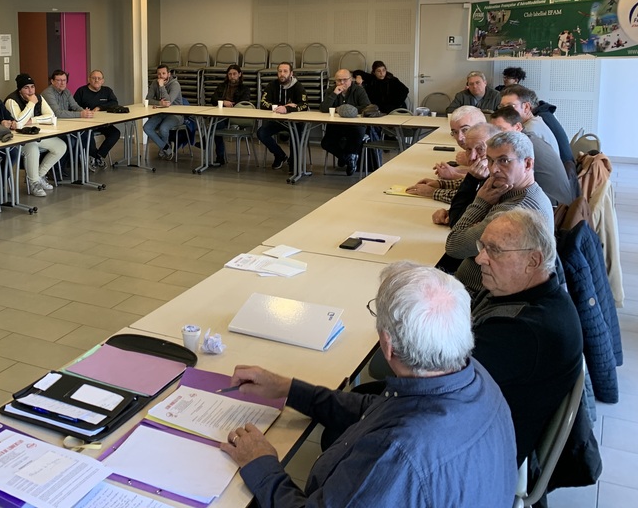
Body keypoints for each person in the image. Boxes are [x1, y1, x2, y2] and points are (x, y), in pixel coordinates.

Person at [220, 262, 516, 508]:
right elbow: (378, 410)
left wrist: (261, 464)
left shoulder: (396, 455)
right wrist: (289, 389)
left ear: (387, 345)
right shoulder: (471, 376)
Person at [473, 208, 583, 465]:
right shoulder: (539, 294)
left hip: (485, 456)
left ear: (533, 261)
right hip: (493, 424)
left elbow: (439, 383)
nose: (479, 258)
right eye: (483, 246)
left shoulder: (521, 332)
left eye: (494, 250)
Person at [445, 130, 554, 293]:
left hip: (477, 295)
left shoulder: (514, 212)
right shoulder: (515, 191)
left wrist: (480, 203)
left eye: (504, 161)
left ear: (527, 164)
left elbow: (454, 245)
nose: (493, 169)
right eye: (490, 160)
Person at [491, 105, 575, 206]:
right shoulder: (529, 138)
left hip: (553, 207)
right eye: (492, 130)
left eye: (500, 129)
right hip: (557, 201)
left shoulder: (521, 147)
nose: (494, 135)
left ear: (518, 127)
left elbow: (505, 184)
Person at [5, 73, 67, 197]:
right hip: (18, 140)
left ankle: (38, 176)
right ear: (20, 89)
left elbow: (51, 116)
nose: (30, 91)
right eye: (26, 87)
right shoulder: (11, 101)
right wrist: (31, 104)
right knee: (32, 148)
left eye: (32, 87)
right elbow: (18, 122)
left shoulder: (38, 97)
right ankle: (33, 183)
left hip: (34, 134)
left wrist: (32, 120)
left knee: (60, 146)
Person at [257, 62, 308, 171]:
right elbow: (263, 103)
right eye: (280, 71)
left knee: (296, 135)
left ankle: (294, 163)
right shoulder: (272, 85)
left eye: (285, 71)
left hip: (295, 122)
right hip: (277, 121)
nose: (282, 74)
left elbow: (304, 105)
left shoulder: (298, 86)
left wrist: (287, 109)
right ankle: (280, 155)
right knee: (261, 133)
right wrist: (282, 107)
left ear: (291, 73)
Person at [319, 69, 369, 175]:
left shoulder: (358, 90)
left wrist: (347, 110)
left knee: (354, 138)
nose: (342, 83)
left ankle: (347, 158)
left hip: (355, 125)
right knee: (326, 143)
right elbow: (323, 108)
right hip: (337, 125)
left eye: (345, 80)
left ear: (351, 80)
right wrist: (334, 94)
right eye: (339, 80)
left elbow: (366, 107)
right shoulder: (331, 90)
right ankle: (347, 158)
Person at [73, 69, 121, 168]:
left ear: (103, 81)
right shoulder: (81, 91)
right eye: (94, 78)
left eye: (99, 78)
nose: (96, 80)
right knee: (88, 135)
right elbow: (73, 107)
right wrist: (83, 111)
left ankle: (98, 156)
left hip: (103, 123)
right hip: (86, 124)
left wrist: (100, 107)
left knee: (115, 133)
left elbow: (114, 103)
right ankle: (93, 157)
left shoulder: (107, 91)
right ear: (89, 79)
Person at [209, 64, 251, 167]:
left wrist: (231, 105)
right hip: (221, 114)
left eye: (234, 74)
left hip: (235, 116)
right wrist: (224, 102)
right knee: (216, 124)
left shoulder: (244, 89)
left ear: (239, 74)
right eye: (230, 74)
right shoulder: (222, 86)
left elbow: (244, 103)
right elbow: (213, 99)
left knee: (215, 125)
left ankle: (207, 143)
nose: (232, 76)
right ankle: (219, 157)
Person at [500, 84, 559, 153]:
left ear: (526, 107)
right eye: (502, 107)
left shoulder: (530, 130)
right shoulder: (535, 121)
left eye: (510, 106)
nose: (504, 111)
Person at [143, 64, 184, 160]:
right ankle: (166, 148)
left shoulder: (175, 85)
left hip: (176, 114)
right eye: (159, 74)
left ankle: (165, 150)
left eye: (163, 73)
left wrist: (161, 86)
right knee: (147, 127)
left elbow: (168, 101)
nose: (161, 76)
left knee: (163, 128)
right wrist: (159, 103)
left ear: (169, 74)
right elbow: (148, 99)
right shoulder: (154, 83)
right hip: (160, 112)